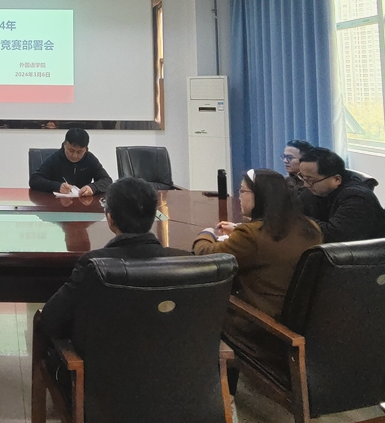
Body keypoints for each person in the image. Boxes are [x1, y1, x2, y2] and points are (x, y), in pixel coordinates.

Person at [40, 177, 188, 339]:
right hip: (169, 353)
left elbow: (50, 319)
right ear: (154, 216)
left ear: (110, 218)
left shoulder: (93, 265)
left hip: (103, 354)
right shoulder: (183, 261)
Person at [193, 169, 322, 319]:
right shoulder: (311, 228)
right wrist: (239, 229)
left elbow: (209, 256)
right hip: (299, 318)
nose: (239, 196)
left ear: (260, 195)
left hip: (256, 320)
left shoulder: (250, 235)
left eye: (242, 191)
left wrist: (206, 234)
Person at [299, 147, 385, 243]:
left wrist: (298, 220)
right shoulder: (314, 189)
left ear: (336, 179)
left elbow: (334, 235)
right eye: (303, 177)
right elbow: (296, 210)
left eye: (310, 180)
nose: (306, 184)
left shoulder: (357, 198)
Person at [29, 128, 112, 196]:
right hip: (57, 204)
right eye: (71, 150)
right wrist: (57, 186)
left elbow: (107, 180)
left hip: (83, 204)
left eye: (80, 152)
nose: (74, 155)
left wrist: (92, 188)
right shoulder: (55, 158)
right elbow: (34, 180)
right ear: (64, 145)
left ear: (86, 150)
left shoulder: (90, 159)